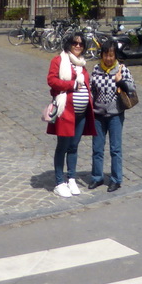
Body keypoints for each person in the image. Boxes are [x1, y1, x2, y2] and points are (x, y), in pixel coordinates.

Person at [46, 31, 95, 198]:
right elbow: (52, 80)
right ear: (69, 44)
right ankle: (59, 182)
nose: (78, 46)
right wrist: (72, 84)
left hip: (81, 113)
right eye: (75, 43)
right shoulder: (59, 60)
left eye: (81, 44)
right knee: (63, 146)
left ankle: (71, 178)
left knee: (74, 147)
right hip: (66, 111)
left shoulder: (82, 63)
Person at [89, 37, 136, 193]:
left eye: (111, 55)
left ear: (115, 55)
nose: (108, 58)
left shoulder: (122, 69)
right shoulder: (96, 69)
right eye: (105, 55)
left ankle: (116, 179)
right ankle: (97, 177)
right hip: (98, 115)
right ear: (101, 55)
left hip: (116, 114)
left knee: (115, 149)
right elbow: (91, 91)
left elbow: (131, 88)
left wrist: (120, 81)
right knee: (97, 148)